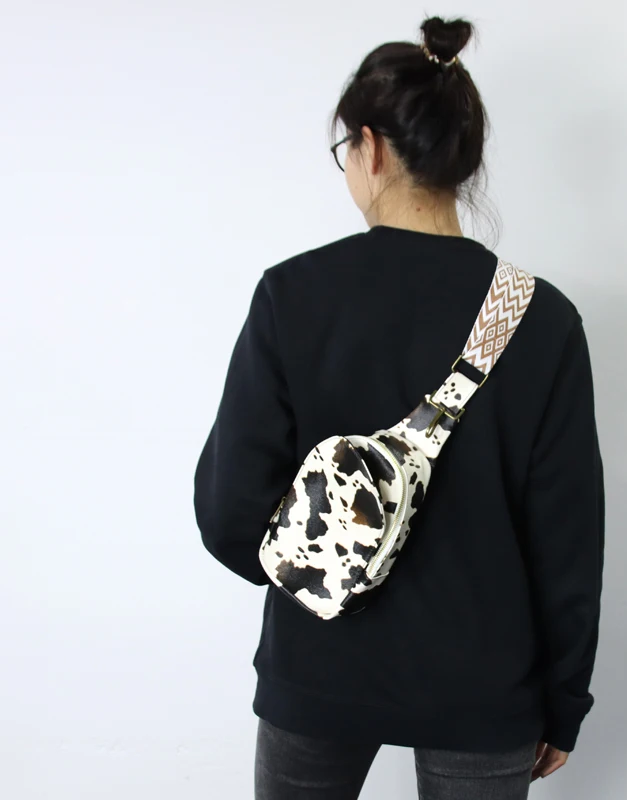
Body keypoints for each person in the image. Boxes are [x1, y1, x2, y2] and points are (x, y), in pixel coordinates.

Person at [193, 15, 605, 800]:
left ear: (371, 148)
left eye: (346, 152)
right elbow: (568, 541)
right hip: (484, 686)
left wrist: (319, 577)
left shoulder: (292, 295)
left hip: (316, 669)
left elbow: (229, 513)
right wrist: (564, 701)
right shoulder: (543, 319)